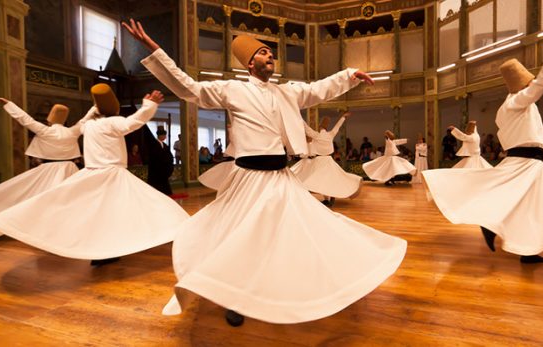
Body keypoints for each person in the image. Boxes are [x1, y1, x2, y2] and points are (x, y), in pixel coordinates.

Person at [124, 19, 406, 326]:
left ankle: (290, 284)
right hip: (247, 178)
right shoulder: (231, 89)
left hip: (281, 177)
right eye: (263, 53)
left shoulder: (287, 93)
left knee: (299, 230)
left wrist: (349, 75)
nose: (270, 56)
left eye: (271, 53)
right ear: (249, 62)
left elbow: (318, 90)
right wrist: (155, 51)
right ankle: (234, 296)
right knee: (240, 238)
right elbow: (188, 87)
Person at [423, 23, 543, 264]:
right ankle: (503, 232)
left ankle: (524, 247)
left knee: (531, 205)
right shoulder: (517, 101)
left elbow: (531, 132)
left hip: (527, 161)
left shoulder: (511, 108)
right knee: (538, 204)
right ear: (524, 84)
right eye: (529, 82)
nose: (532, 85)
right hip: (526, 162)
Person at [0, 84, 189, 265]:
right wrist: (150, 105)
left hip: (91, 173)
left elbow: (28, 121)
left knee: (88, 212)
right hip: (111, 175)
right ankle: (128, 243)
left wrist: (9, 104)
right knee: (148, 205)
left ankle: (103, 251)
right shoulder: (102, 124)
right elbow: (133, 122)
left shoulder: (88, 126)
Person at [0, 98, 95, 243]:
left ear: (50, 119)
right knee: (71, 201)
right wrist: (96, 106)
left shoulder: (45, 130)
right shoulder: (73, 131)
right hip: (70, 169)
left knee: (30, 198)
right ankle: (69, 230)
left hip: (49, 170)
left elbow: (25, 119)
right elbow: (85, 119)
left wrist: (8, 104)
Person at [291, 111, 362, 206]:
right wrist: (343, 117)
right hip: (329, 160)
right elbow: (338, 127)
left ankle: (327, 198)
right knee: (329, 180)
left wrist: (299, 117)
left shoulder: (317, 135)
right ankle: (328, 198)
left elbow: (306, 128)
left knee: (320, 181)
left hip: (319, 161)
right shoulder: (330, 135)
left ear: (320, 127)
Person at [144, 125, 175, 195]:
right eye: (164, 135)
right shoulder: (154, 144)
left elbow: (169, 156)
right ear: (160, 136)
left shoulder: (165, 145)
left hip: (163, 170)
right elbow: (154, 156)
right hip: (156, 169)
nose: (165, 137)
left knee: (165, 189)